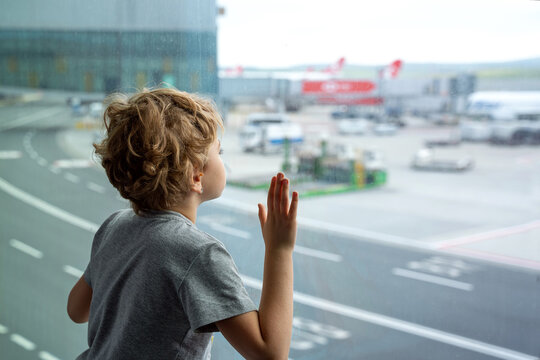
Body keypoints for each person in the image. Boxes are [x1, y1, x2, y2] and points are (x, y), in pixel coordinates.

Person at [67, 87, 299, 359]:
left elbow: (76, 310)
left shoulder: (114, 226)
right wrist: (279, 250)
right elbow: (270, 353)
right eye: (219, 152)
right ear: (197, 177)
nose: (223, 160)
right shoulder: (198, 254)